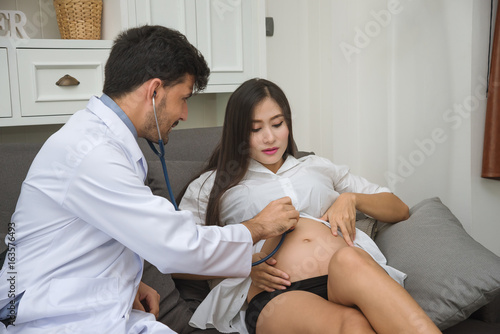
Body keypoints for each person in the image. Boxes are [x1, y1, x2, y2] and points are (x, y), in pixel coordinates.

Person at [0, 26, 299, 333]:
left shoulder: (105, 143)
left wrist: (130, 279)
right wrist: (256, 227)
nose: (184, 114)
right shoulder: (92, 152)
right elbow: (176, 246)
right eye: (183, 98)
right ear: (154, 91)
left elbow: (92, 235)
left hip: (93, 307)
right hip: (48, 319)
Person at [179, 78, 442, 334]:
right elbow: (178, 258)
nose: (270, 138)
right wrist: (241, 264)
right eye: (255, 129)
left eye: (277, 124)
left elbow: (399, 209)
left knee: (352, 259)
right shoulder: (212, 185)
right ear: (237, 132)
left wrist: (351, 198)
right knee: (353, 326)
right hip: (277, 292)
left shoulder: (317, 167)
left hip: (344, 277)